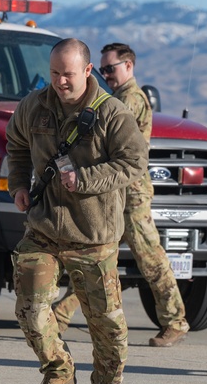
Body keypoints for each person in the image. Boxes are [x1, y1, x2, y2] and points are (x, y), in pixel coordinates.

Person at [5, 38, 147, 384]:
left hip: (93, 234)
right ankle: (58, 372)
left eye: (67, 74)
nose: (60, 82)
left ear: (87, 71)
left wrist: (84, 179)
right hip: (45, 227)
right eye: (54, 73)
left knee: (105, 323)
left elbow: (133, 164)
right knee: (31, 308)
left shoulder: (113, 114)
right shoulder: (33, 108)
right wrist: (18, 184)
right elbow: (16, 145)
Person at [52, 43, 191, 347]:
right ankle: (60, 316)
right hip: (113, 192)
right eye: (101, 70)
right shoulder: (115, 98)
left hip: (132, 195)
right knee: (98, 258)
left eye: (110, 69)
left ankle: (175, 320)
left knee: (150, 259)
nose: (106, 75)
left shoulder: (129, 100)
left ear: (129, 66)